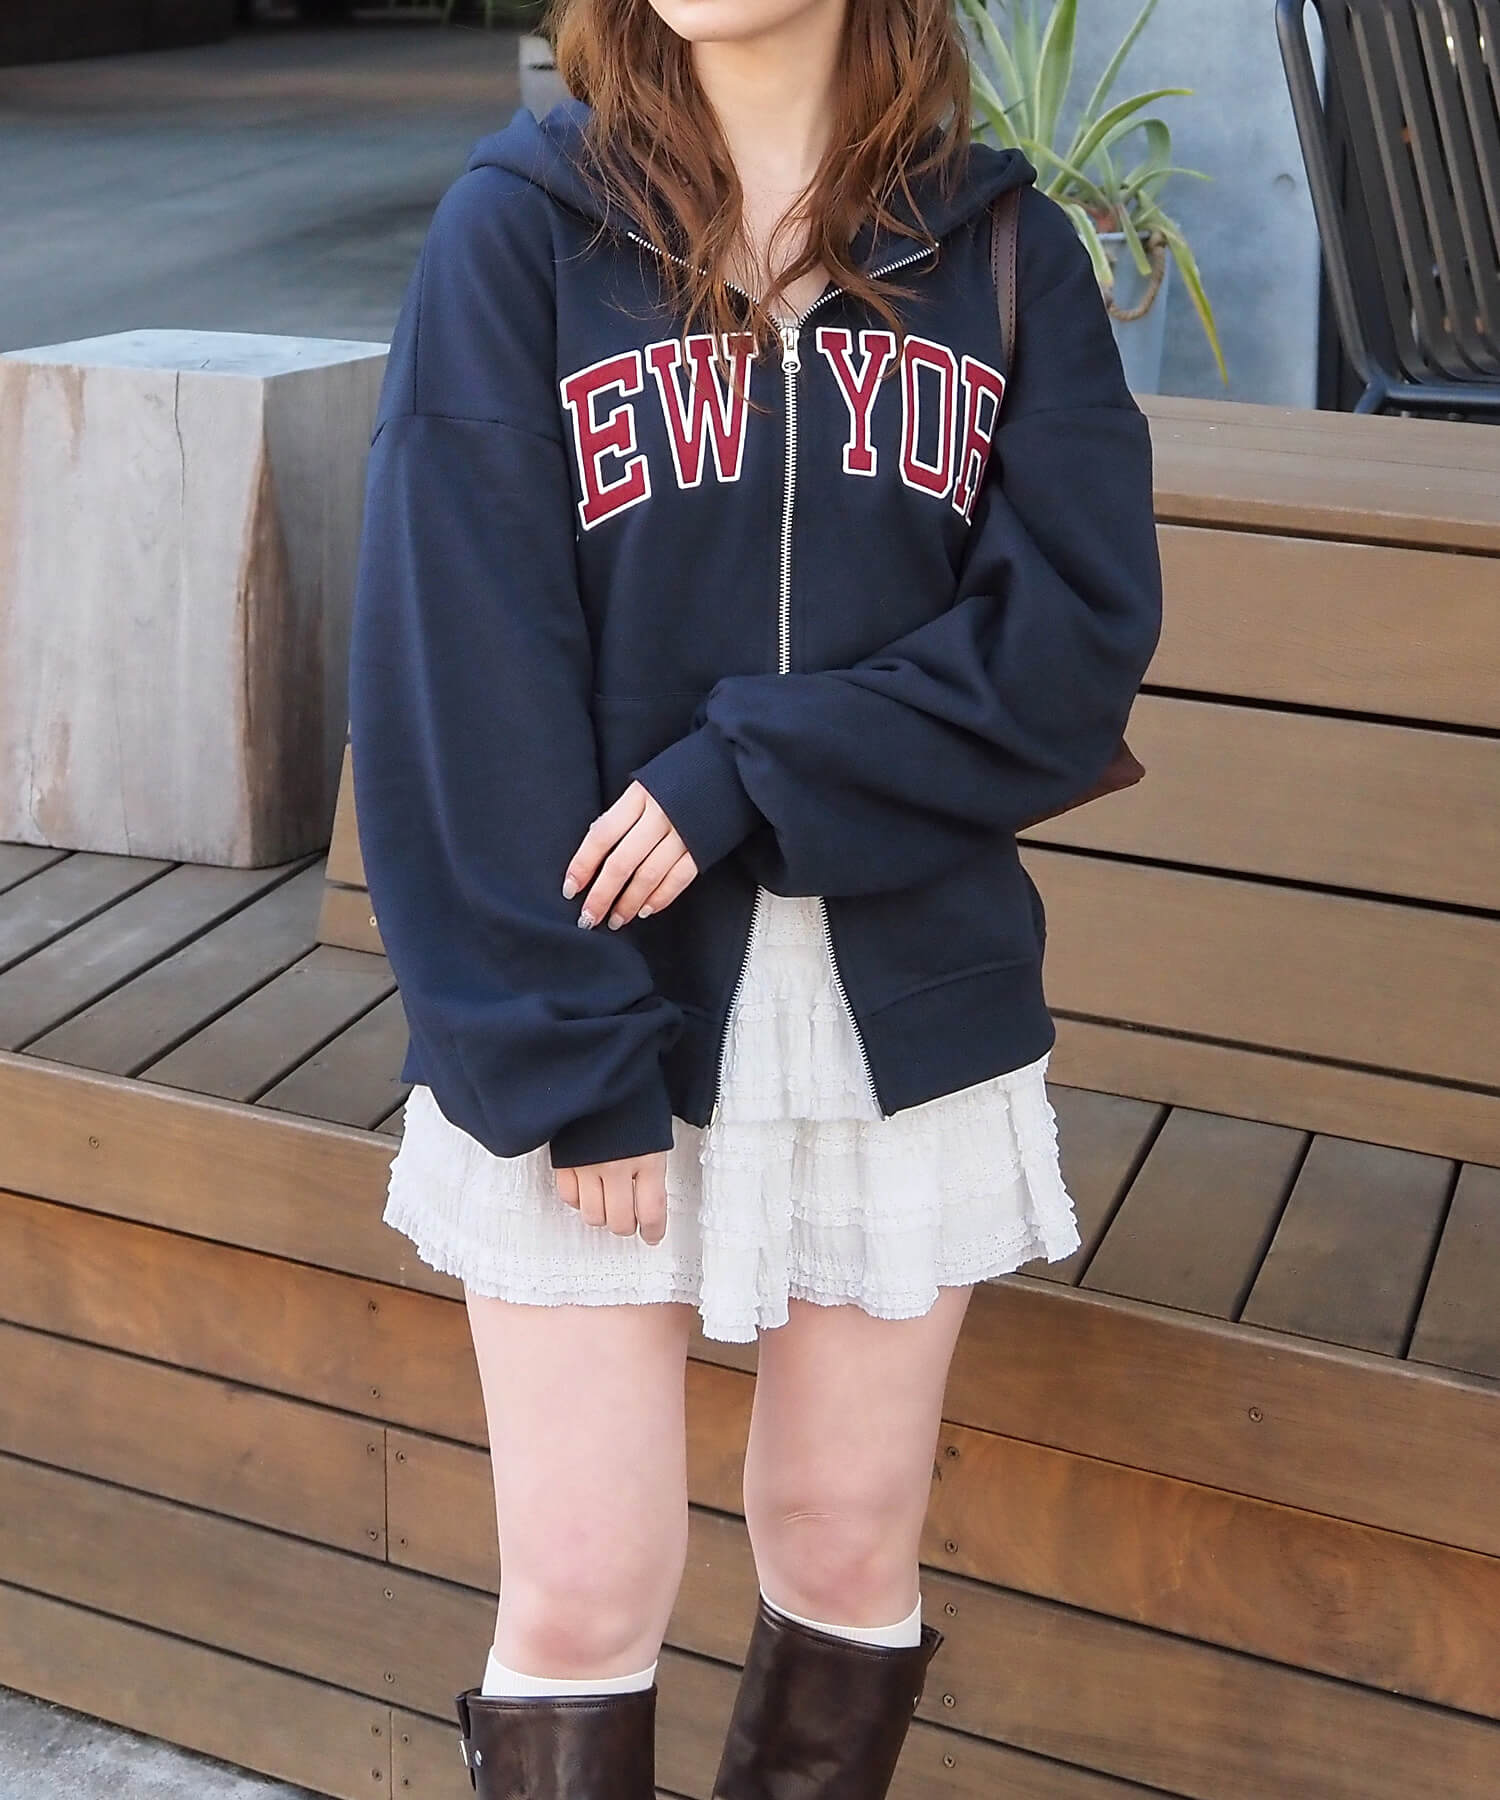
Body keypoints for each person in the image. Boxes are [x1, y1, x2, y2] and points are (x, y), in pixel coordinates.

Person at [345, 0, 1162, 1787]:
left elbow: (1068, 650)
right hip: (593, 996)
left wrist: (746, 770)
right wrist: (566, 1052)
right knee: (584, 1587)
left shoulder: (1001, 250)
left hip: (899, 1013)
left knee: (848, 1551)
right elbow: (454, 681)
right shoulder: (521, 235)